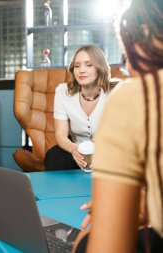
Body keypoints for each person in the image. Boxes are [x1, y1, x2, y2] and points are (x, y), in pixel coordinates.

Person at [74, 0, 163, 252]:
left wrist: (108, 216)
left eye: (127, 58)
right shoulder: (64, 93)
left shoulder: (135, 95)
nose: (130, 68)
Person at [45, 45, 119, 171]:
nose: (81, 70)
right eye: (77, 66)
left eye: (89, 65)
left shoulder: (117, 91)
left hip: (111, 148)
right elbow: (61, 135)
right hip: (76, 148)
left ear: (100, 68)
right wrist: (74, 149)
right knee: (54, 156)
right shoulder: (63, 92)